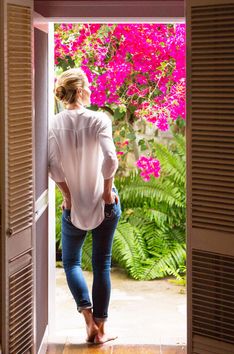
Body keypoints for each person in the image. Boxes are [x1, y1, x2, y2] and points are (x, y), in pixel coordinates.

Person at [48, 68, 121, 345]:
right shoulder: (98, 119)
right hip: (105, 204)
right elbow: (111, 160)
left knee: (71, 263)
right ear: (80, 91)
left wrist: (67, 195)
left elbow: (53, 166)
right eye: (87, 86)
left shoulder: (54, 123)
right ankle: (100, 331)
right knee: (101, 264)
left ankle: (89, 322)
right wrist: (105, 193)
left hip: (73, 206)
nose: (90, 89)